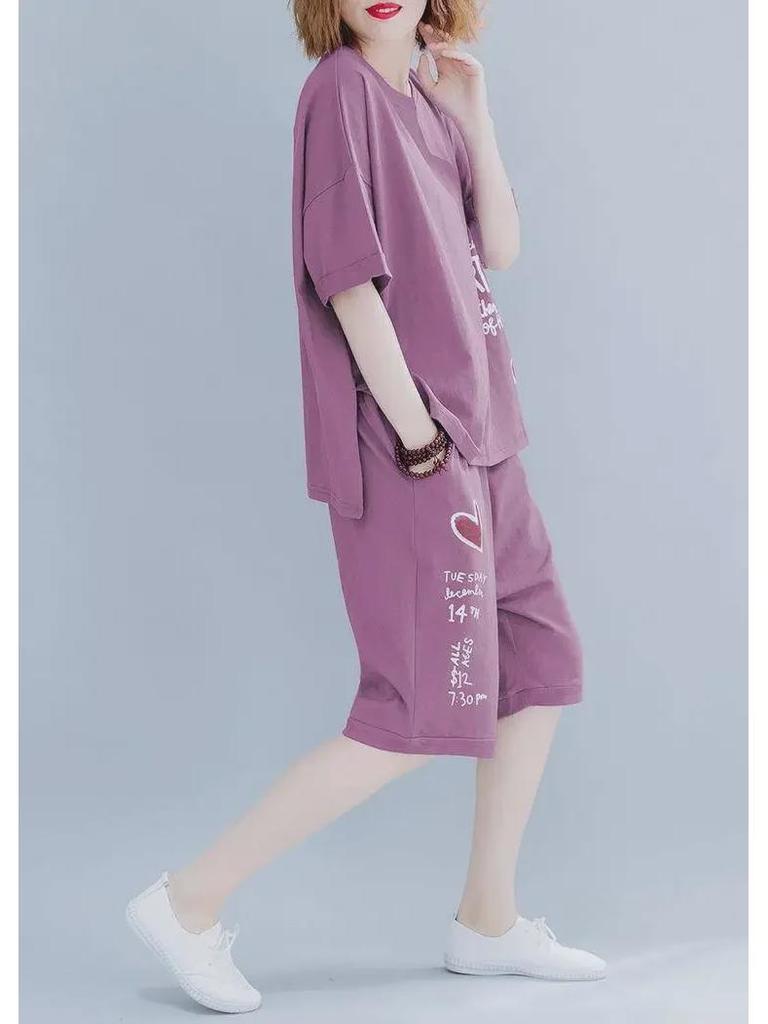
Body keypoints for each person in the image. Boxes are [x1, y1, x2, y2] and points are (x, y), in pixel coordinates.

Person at [125, 0, 606, 1013]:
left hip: (487, 434)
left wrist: (476, 113)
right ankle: (189, 901)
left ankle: (487, 920)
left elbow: (501, 246)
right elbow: (346, 282)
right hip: (418, 447)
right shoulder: (338, 92)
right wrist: (419, 437)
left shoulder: (427, 103)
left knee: (541, 661)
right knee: (413, 707)